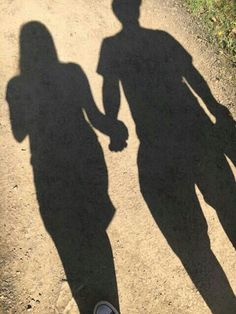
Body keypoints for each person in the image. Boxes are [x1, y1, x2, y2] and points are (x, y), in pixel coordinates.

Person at [97, 0, 236, 313]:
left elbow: (111, 89)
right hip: (198, 132)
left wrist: (115, 123)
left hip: (160, 146)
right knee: (229, 204)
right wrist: (214, 107)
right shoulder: (161, 38)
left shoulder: (111, 46)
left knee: (193, 240)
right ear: (138, 9)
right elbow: (190, 74)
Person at [6, 21, 127, 314]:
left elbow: (19, 133)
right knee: (95, 229)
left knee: (66, 234)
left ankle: (97, 303)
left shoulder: (17, 85)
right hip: (86, 156)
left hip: (49, 167)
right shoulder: (72, 71)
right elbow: (95, 116)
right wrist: (115, 129)